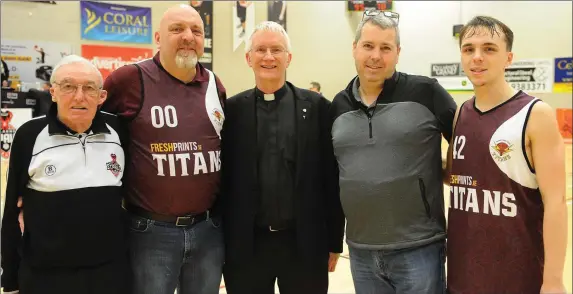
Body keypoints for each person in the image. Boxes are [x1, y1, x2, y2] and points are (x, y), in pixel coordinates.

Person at [101, 4, 226, 294]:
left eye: (196, 31)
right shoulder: (128, 80)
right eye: (177, 29)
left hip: (207, 230)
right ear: (157, 37)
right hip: (150, 232)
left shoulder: (214, 84)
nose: (188, 36)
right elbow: (91, 136)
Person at [330, 10, 456, 294]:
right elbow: (334, 176)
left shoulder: (427, 92)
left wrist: (447, 170)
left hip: (419, 248)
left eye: (385, 48)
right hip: (361, 252)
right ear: (355, 48)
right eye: (368, 46)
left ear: (397, 53)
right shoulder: (338, 106)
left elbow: (466, 144)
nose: (376, 55)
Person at [445, 16, 568, 294]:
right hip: (461, 277)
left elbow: (557, 204)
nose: (477, 57)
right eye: (468, 49)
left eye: (489, 49)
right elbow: (457, 177)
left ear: (508, 58)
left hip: (518, 278)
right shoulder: (461, 113)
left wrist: (553, 280)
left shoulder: (535, 115)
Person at [221, 21, 345, 294]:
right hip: (247, 247)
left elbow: (331, 178)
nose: (268, 57)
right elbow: (223, 181)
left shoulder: (317, 109)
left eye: (276, 50)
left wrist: (335, 241)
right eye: (261, 50)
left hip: (304, 245)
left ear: (289, 57)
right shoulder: (231, 111)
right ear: (248, 58)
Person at [0, 54, 130, 294]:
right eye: (68, 86)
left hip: (109, 274)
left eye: (89, 88)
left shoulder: (120, 131)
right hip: (45, 276)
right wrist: (9, 281)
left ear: (101, 97)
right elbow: (11, 210)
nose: (79, 96)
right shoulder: (29, 135)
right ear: (53, 92)